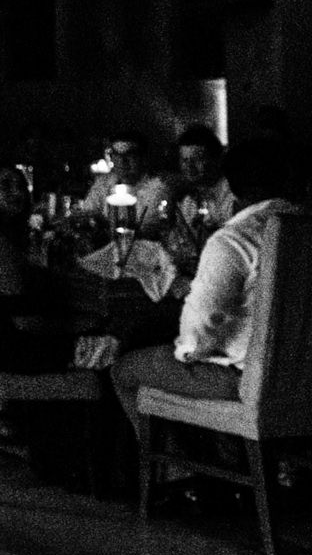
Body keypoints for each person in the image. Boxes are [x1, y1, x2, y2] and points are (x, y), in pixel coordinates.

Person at [111, 140, 302, 438]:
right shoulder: (301, 227)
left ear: (232, 183)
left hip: (246, 379)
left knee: (125, 369)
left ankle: (178, 470)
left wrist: (183, 352)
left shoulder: (235, 239)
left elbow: (197, 335)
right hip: (300, 380)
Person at [0, 159, 67, 372]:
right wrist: (77, 326)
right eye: (5, 185)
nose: (17, 193)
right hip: (13, 352)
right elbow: (23, 320)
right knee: (114, 345)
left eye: (20, 185)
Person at [80, 128, 172, 224]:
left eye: (129, 154)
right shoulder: (102, 184)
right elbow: (87, 215)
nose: (122, 161)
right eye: (117, 154)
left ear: (143, 158)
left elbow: (148, 227)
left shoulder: (157, 190)